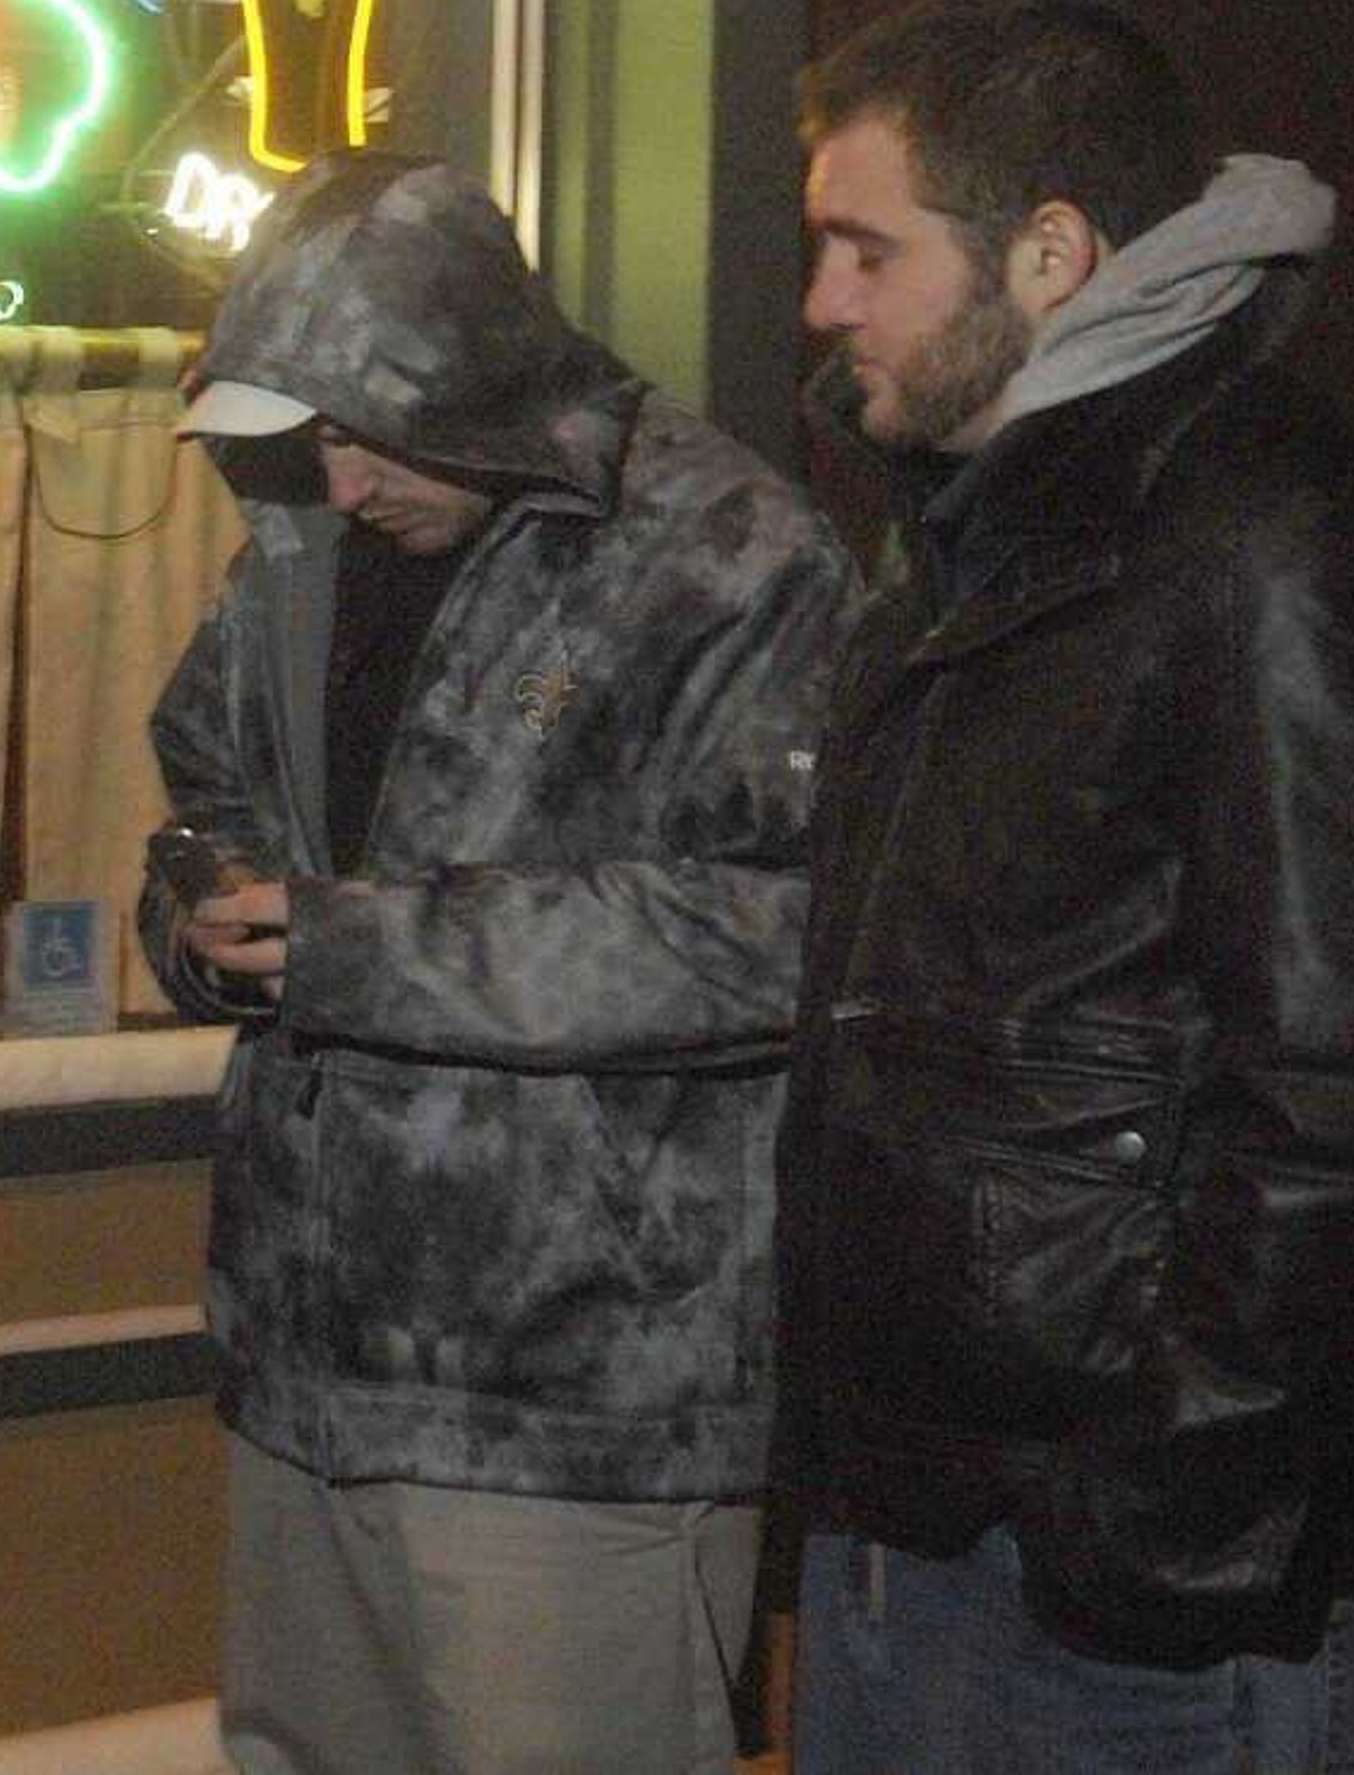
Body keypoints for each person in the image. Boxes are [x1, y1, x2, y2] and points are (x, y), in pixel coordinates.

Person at [780, 0, 1354, 1772]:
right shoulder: (980, 539)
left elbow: (1352, 1109)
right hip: (934, 1533)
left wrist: (1151, 1513)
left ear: (1049, 253)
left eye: (866, 251)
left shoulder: (1274, 542)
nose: (820, 303)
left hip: (1133, 1600)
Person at [141, 154, 859, 1775]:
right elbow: (202, 796)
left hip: (577, 1410)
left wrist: (348, 945)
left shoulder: (730, 553)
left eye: (354, 432)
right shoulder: (304, 545)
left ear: (477, 384)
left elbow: (785, 934)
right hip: (305, 1379)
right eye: (293, 437)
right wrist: (195, 912)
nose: (329, 482)